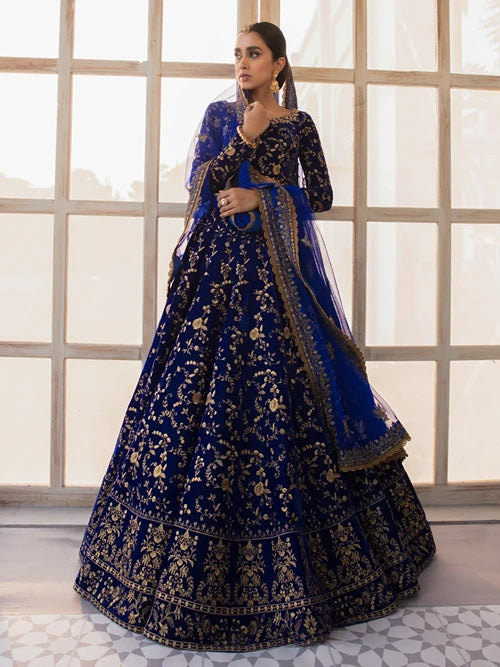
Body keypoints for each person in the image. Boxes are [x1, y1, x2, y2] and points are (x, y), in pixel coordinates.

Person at [73, 21, 436, 653]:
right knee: (195, 399)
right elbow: (200, 186)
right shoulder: (220, 116)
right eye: (238, 54)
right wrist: (243, 138)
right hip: (216, 278)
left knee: (288, 401)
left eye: (255, 54)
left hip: (278, 280)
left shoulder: (299, 125)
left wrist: (263, 194)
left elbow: (320, 195)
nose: (242, 63)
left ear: (278, 64)